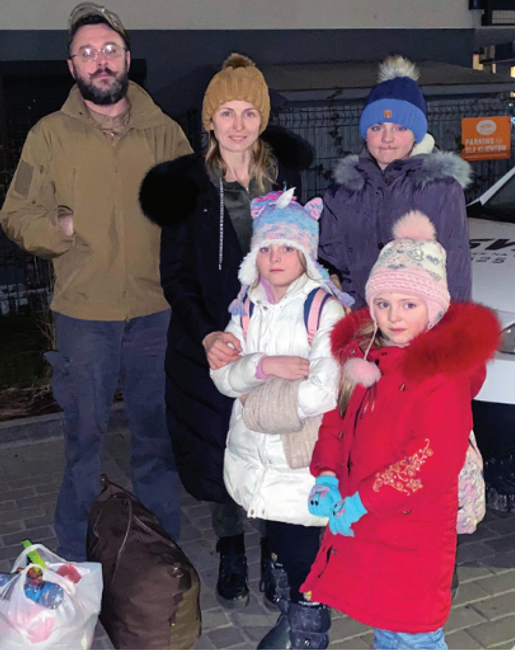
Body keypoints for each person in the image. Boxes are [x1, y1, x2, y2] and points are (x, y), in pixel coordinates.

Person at [1, 2, 192, 561]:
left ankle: (164, 554)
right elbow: (15, 213)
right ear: (72, 67)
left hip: (155, 310)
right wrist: (58, 228)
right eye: (87, 53)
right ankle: (78, 558)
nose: (100, 61)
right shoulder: (50, 135)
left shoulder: (163, 132)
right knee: (83, 440)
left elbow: (193, 209)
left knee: (154, 437)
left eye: (109, 50)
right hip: (84, 312)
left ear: (127, 58)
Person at [139, 53, 311, 610]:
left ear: (262, 119)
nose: (238, 125)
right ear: (209, 121)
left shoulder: (285, 178)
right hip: (211, 344)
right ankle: (230, 544)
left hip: (277, 340)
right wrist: (209, 336)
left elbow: (307, 256)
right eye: (226, 113)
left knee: (275, 445)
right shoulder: (184, 184)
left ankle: (275, 551)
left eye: (249, 113)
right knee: (219, 450)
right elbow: (175, 276)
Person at [302, 211, 500, 650]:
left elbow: (429, 462)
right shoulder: (363, 357)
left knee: (414, 635)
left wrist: (362, 502)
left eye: (409, 304)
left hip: (412, 532)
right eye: (383, 303)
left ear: (435, 308)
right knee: (388, 628)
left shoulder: (442, 376)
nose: (394, 316)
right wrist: (327, 474)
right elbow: (336, 420)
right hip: (367, 523)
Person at [210, 189, 352, 649]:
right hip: (256, 456)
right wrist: (262, 367)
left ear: (306, 253)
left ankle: (309, 629)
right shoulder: (247, 303)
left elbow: (322, 391)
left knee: (300, 545)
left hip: (301, 455)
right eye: (266, 247)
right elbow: (224, 379)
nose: (275, 258)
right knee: (277, 531)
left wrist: (256, 403)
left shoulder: (323, 308)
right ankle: (291, 608)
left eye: (288, 248)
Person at [319, 55, 473, 309]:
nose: (387, 138)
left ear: (416, 135)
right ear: (365, 133)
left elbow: (455, 266)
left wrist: (452, 333)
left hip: (419, 326)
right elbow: (327, 260)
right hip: (358, 321)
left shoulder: (441, 189)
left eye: (400, 128)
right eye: (377, 127)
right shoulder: (342, 193)